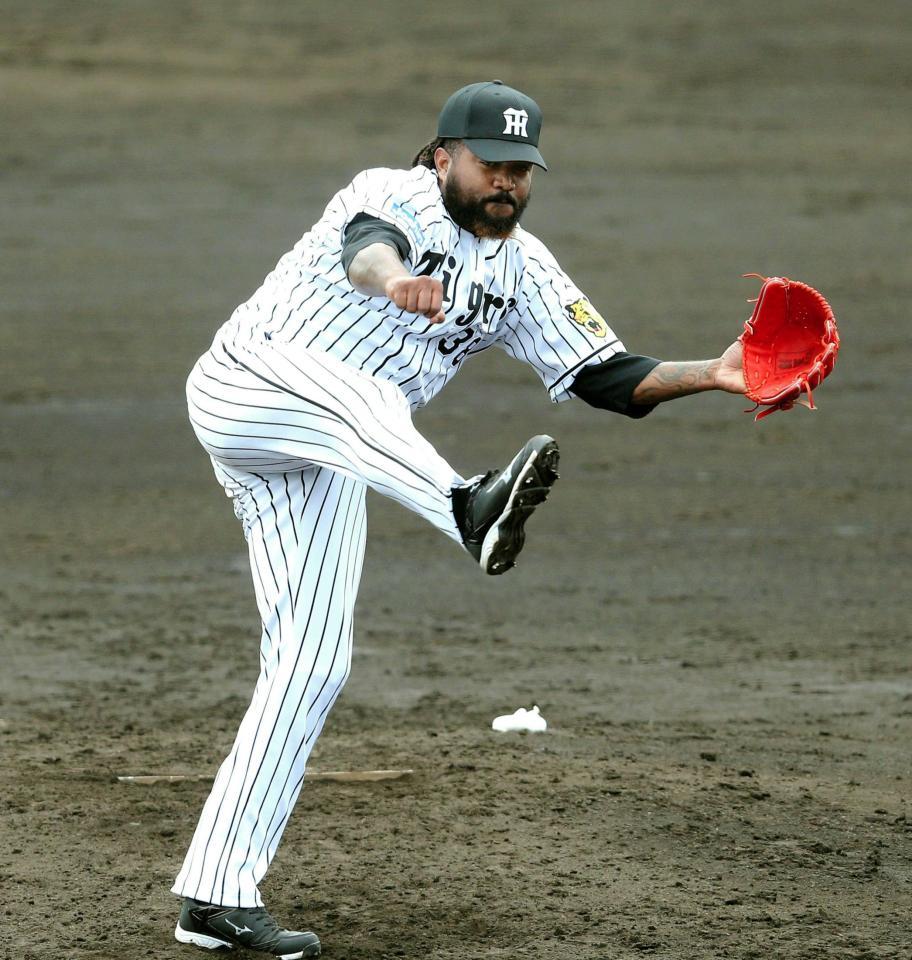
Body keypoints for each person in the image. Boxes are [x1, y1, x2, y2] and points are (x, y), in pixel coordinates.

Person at [172, 80, 746, 958]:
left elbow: (605, 375)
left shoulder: (525, 268)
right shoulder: (388, 194)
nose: (507, 183)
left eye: (523, 169)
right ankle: (467, 510)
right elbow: (367, 250)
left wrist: (716, 372)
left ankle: (216, 893)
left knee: (314, 662)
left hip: (337, 450)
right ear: (443, 157)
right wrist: (399, 281)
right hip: (248, 390)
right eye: (492, 165)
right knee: (367, 389)